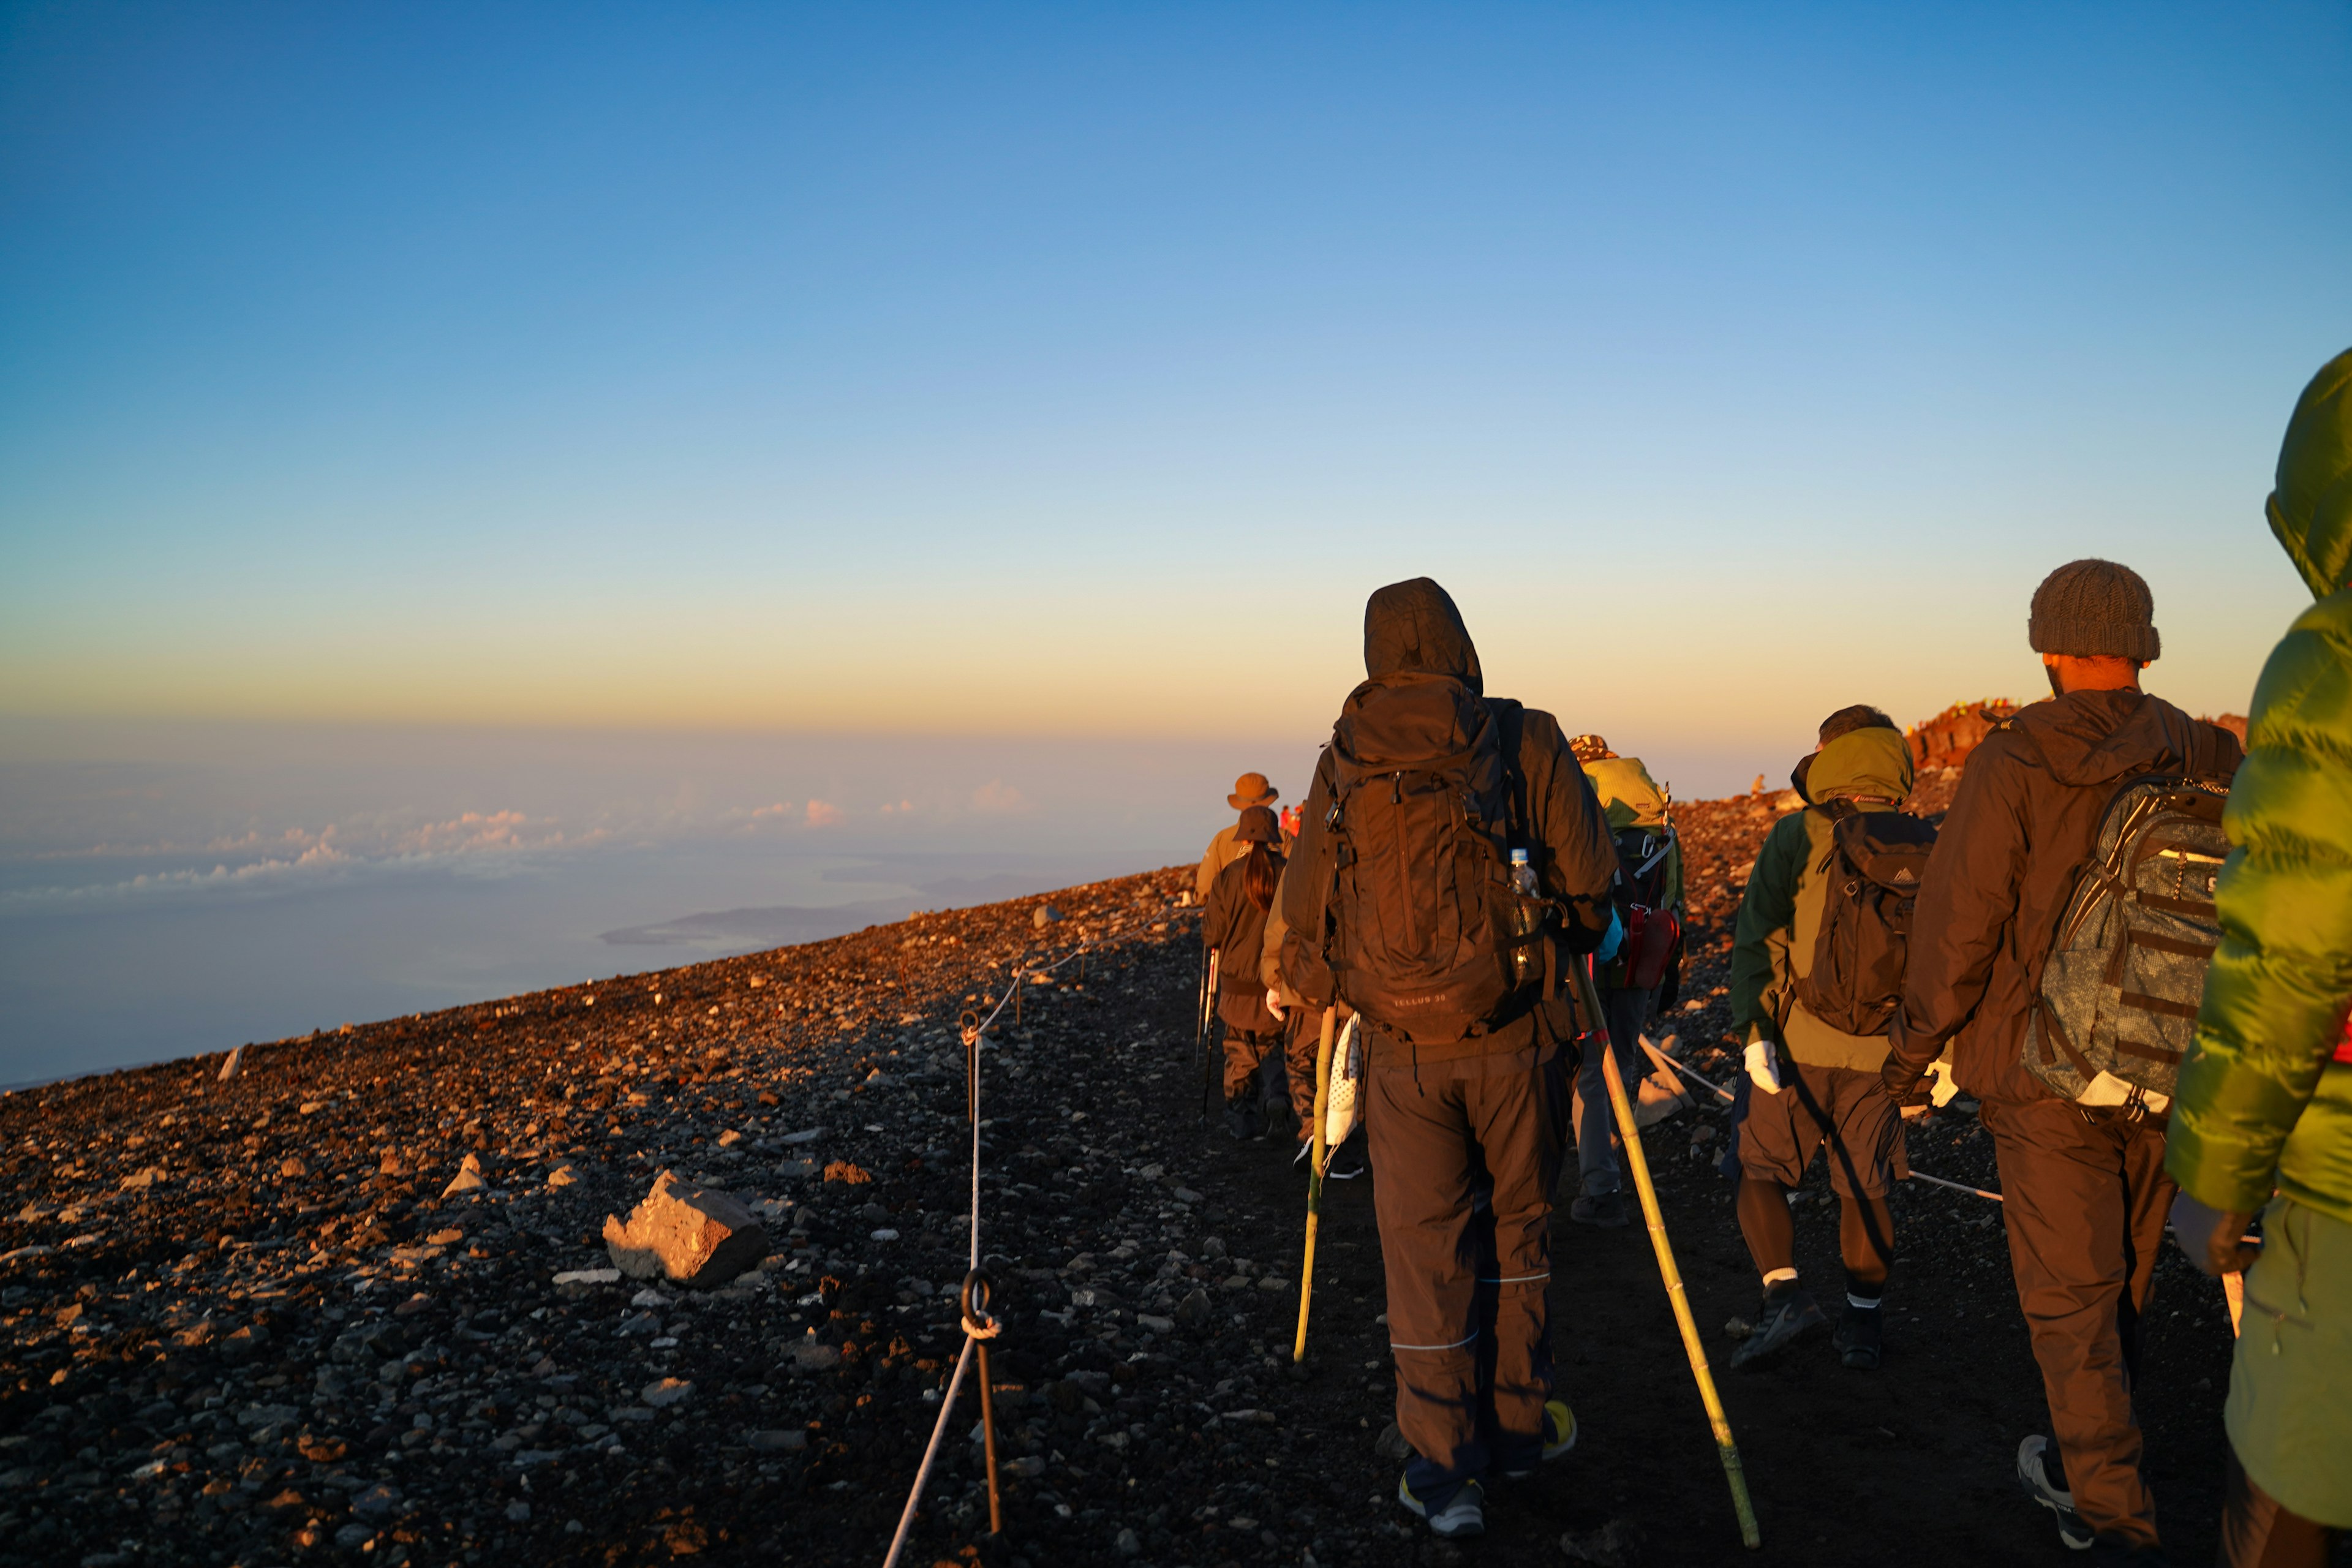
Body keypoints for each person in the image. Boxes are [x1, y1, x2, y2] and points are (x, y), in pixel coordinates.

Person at [1882, 559, 2244, 1563]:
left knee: (2068, 1303)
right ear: (2143, 646)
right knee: (2119, 1277)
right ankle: (2101, 1460)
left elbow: (1961, 923)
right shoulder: (2207, 750)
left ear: (2047, 651)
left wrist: (1913, 1055)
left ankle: (2112, 1513)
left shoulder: (2016, 756)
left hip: (2040, 1070)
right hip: (2168, 1065)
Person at [1276, 578, 1620, 1540]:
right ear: (1463, 644)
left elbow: (1306, 930)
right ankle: (1517, 1428)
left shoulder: (1345, 756)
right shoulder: (1525, 737)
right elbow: (1592, 891)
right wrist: (1562, 940)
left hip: (1399, 1054)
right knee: (1517, 1232)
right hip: (1523, 1041)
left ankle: (1444, 1474)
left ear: (1373, 654)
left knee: (1425, 1252)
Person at [2165, 349, 2352, 1567]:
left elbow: (2289, 952)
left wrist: (2214, 1171)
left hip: (2341, 1182)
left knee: (2286, 1490)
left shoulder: (2334, 659)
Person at [1722, 710, 1922, 1371]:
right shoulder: (1930, 843)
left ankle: (1784, 1295)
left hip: (1797, 1046)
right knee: (1866, 1187)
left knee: (1761, 1169)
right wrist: (1941, 1052)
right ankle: (1861, 1328)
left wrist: (1755, 1034)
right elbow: (1954, 956)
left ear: (1829, 755)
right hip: (1886, 1056)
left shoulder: (1797, 835)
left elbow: (1760, 939)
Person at [1564, 735, 1686, 1227]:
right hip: (1644, 959)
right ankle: (1617, 1159)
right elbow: (1673, 898)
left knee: (1587, 1071)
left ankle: (1600, 1186)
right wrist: (1669, 973)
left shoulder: (1577, 798)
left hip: (1592, 959)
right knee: (1623, 1059)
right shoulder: (1655, 810)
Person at [1202, 805, 1313, 1141]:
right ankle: (1277, 1100)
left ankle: (1242, 1124)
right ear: (1273, 834)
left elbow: (1213, 934)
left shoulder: (1227, 877)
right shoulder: (1289, 873)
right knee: (1273, 1048)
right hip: (1276, 981)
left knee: (1238, 1052)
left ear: (1243, 836)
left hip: (1235, 985)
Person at [1196, 772, 1281, 903]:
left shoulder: (1223, 839)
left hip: (1232, 915)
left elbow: (1205, 889)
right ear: (1268, 801)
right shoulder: (1284, 838)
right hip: (1276, 917)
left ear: (1239, 803)